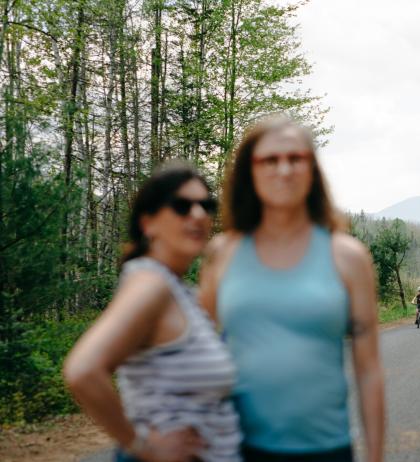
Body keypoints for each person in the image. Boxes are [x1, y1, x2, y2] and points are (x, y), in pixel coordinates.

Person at [198, 117, 385, 462]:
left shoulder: (348, 257)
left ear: (312, 171)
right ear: (249, 171)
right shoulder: (222, 254)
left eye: (296, 158)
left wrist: (375, 457)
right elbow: (197, 351)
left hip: (326, 450)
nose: (284, 170)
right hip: (235, 449)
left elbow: (369, 370)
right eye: (270, 160)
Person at [63, 163, 242, 462]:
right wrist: (141, 445)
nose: (198, 214)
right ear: (148, 223)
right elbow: (82, 370)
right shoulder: (151, 285)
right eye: (182, 206)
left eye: (206, 205)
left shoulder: (176, 289)